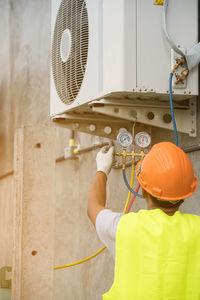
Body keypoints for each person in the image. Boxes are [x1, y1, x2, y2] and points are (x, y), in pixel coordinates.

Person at [87, 142, 200, 300]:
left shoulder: (125, 227)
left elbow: (93, 207)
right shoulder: (197, 229)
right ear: (185, 194)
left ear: (143, 190)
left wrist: (102, 169)